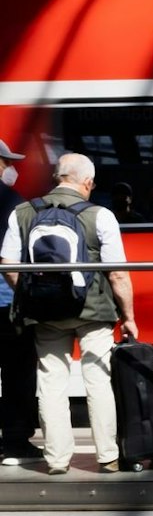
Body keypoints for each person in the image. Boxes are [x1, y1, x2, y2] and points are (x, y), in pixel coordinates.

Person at [0, 152, 138, 475]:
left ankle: (57, 459)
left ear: (57, 178)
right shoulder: (100, 215)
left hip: (46, 312)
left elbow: (7, 264)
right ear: (87, 182)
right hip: (93, 310)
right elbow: (118, 274)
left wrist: (31, 293)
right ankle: (107, 455)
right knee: (97, 380)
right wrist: (128, 316)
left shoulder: (23, 212)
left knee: (51, 381)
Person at [0, 138, 40, 465]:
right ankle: (15, 441)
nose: (12, 168)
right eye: (7, 162)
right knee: (17, 371)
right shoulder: (14, 203)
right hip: (6, 301)